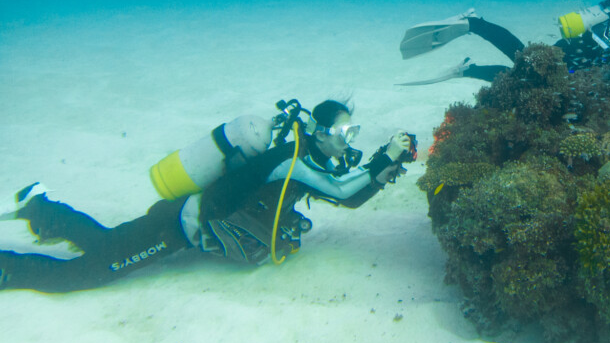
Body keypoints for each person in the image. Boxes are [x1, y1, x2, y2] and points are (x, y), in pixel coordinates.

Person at [0, 97, 414, 292]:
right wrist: (386, 157)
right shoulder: (293, 160)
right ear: (321, 133)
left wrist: (384, 165)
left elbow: (349, 192)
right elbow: (343, 193)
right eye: (344, 133)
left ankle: (40, 207)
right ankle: (11, 263)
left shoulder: (306, 158)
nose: (348, 140)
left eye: (352, 132)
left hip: (191, 225)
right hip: (178, 226)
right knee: (84, 274)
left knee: (103, 244)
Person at [399, 0, 610, 84]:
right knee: (523, 63)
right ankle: (475, 23)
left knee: (525, 80)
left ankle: (467, 69)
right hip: (574, 57)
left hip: (579, 59)